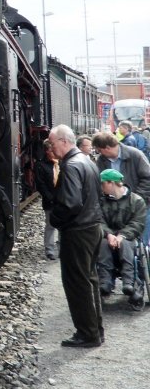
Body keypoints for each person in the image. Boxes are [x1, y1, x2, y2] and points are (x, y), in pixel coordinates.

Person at [47, 123, 104, 348]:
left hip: (77, 231)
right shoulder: (87, 162)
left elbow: (70, 203)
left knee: (77, 284)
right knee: (90, 281)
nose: (51, 148)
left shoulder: (71, 165)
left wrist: (55, 220)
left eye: (52, 143)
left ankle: (87, 334)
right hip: (92, 228)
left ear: (63, 141)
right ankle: (95, 330)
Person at [96, 168, 147, 301]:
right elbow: (98, 220)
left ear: (112, 183)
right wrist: (109, 235)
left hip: (128, 238)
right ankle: (105, 282)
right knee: (102, 243)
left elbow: (137, 223)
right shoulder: (101, 202)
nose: (101, 187)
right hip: (108, 237)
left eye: (103, 184)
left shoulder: (137, 201)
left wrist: (122, 235)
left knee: (125, 244)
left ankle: (128, 282)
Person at [92, 132, 150, 205]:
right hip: (114, 205)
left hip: (138, 205)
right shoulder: (101, 160)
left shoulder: (135, 155)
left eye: (100, 150)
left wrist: (137, 199)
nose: (100, 153)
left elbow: (147, 178)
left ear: (107, 148)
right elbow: (101, 181)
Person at [34, 139, 60, 260]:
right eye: (51, 150)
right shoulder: (41, 165)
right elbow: (40, 184)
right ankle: (49, 249)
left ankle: (62, 248)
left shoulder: (62, 163)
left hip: (63, 200)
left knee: (63, 225)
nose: (54, 153)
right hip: (50, 201)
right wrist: (50, 198)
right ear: (46, 151)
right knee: (50, 225)